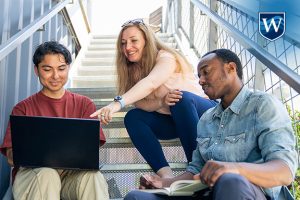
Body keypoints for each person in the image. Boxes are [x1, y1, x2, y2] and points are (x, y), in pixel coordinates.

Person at [123, 49, 298, 200]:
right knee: (136, 197)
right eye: (199, 76)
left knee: (230, 181)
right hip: (206, 193)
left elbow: (284, 171)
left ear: (231, 68)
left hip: (248, 192)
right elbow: (194, 172)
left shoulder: (263, 105)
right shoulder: (206, 118)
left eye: (206, 72)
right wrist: (162, 182)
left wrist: (233, 169)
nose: (200, 81)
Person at [90, 18, 217, 178]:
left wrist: (116, 104)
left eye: (133, 40)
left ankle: (197, 170)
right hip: (176, 122)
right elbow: (142, 104)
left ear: (146, 41)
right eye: (123, 43)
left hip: (204, 114)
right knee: (133, 117)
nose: (127, 47)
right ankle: (166, 177)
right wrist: (161, 102)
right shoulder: (132, 72)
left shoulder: (165, 57)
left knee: (179, 98)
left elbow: (151, 82)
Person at [0, 41, 109, 200]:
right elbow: (10, 158)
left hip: (71, 176)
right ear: (36, 70)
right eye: (47, 69)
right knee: (47, 175)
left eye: (61, 68)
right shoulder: (22, 109)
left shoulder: (85, 105)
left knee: (93, 177)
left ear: (69, 68)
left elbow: (91, 152)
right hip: (34, 175)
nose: (55, 76)